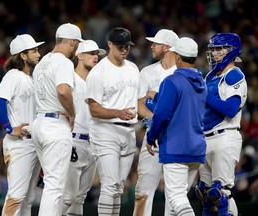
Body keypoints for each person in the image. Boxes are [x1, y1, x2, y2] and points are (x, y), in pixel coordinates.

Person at [146, 37, 207, 216]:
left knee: (176, 198)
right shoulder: (202, 83)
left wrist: (151, 137)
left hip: (176, 146)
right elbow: (183, 105)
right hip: (196, 148)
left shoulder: (171, 81)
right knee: (176, 205)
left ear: (178, 56)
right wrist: (158, 99)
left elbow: (163, 115)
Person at [85, 27, 143, 216]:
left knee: (118, 187)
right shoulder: (99, 71)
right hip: (105, 131)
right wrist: (118, 112)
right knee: (110, 185)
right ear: (109, 44)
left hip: (129, 131)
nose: (124, 49)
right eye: (120, 46)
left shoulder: (133, 68)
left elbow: (140, 101)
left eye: (126, 46)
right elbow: (94, 109)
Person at [31, 23, 83, 216]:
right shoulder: (64, 62)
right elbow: (63, 90)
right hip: (55, 123)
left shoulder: (42, 61)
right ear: (72, 41)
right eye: (77, 43)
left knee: (51, 185)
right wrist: (72, 113)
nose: (76, 47)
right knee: (54, 187)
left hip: (39, 123)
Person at [195, 33, 247, 216]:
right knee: (205, 194)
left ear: (231, 51)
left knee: (220, 193)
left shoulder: (234, 76)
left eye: (219, 49)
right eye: (213, 49)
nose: (215, 53)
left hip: (225, 136)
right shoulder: (210, 76)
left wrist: (205, 95)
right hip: (205, 137)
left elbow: (231, 109)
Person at [0, 34, 44, 215]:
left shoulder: (31, 78)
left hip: (33, 142)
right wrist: (8, 128)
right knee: (16, 196)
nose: (38, 54)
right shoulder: (13, 76)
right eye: (34, 50)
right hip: (20, 143)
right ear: (22, 55)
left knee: (28, 198)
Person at [132, 29, 179, 216]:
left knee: (174, 194)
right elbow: (139, 104)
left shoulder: (182, 72)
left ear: (167, 47)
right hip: (153, 137)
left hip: (176, 138)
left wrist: (156, 102)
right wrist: (156, 119)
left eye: (156, 43)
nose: (152, 46)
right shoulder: (147, 71)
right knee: (142, 191)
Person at [62, 40, 106, 216]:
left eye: (97, 54)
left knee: (80, 197)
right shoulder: (68, 80)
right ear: (80, 55)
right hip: (73, 140)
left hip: (92, 142)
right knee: (67, 197)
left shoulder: (98, 81)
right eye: (91, 53)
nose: (96, 57)